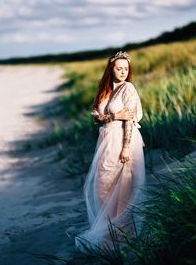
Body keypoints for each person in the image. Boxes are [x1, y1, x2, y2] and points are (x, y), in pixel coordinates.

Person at [75, 51, 146, 253]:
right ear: (111, 69)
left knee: (123, 187)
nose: (123, 72)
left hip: (122, 139)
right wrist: (114, 115)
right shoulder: (105, 90)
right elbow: (97, 118)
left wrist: (125, 147)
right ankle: (110, 231)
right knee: (103, 186)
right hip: (105, 140)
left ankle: (123, 236)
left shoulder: (128, 89)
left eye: (126, 68)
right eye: (119, 68)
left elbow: (130, 121)